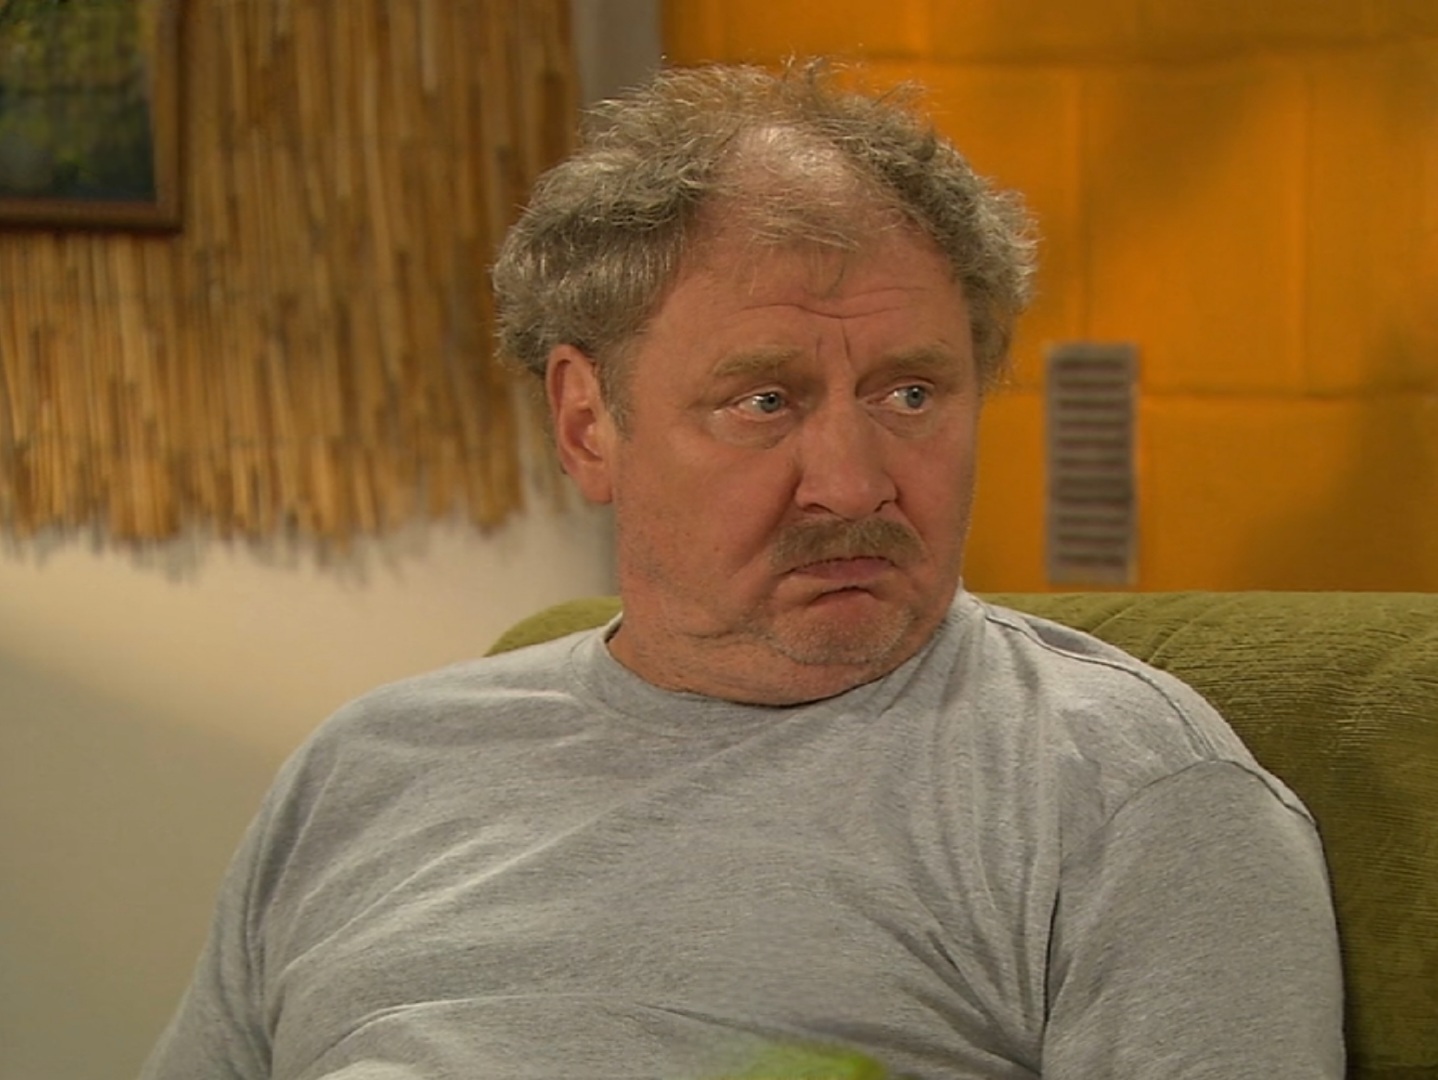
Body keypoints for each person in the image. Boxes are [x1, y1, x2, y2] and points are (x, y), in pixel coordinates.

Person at [141, 62, 1344, 1079]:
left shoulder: (1124, 796)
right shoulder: (367, 772)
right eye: (765, 400)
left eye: (910, 394)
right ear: (587, 423)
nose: (854, 484)